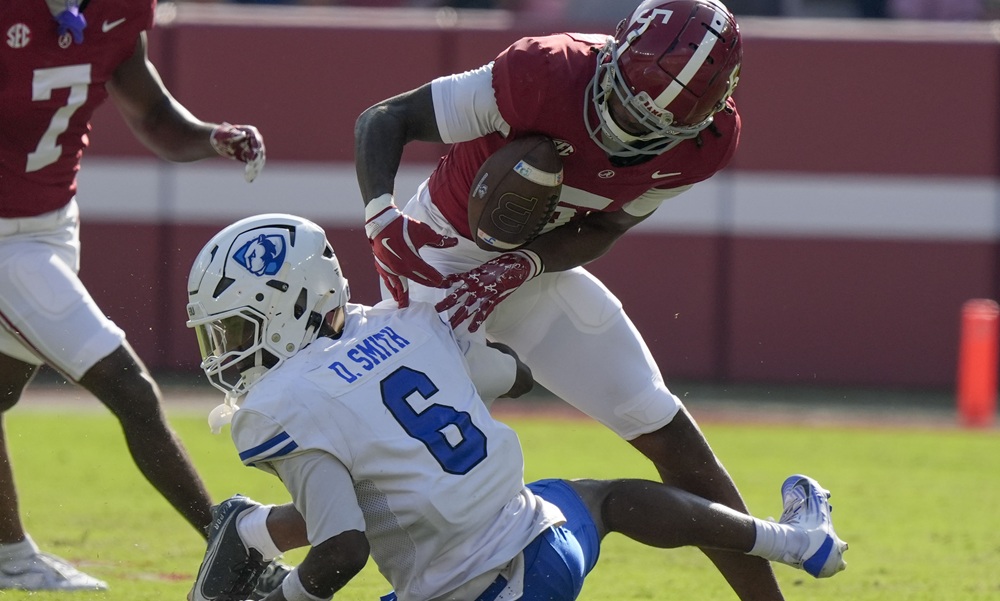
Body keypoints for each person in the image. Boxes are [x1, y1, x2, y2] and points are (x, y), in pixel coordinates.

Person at [353, 0, 793, 599]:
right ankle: (263, 545)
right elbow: (385, 118)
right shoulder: (544, 70)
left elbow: (606, 225)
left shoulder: (708, 144)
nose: (630, 129)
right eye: (627, 104)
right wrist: (382, 219)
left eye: (655, 127)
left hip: (531, 271)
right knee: (400, 468)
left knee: (663, 427)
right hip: (437, 267)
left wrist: (523, 263)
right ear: (614, 52)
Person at [183, 213, 846, 601]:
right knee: (606, 499)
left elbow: (343, 549)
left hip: (481, 587)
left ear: (292, 304)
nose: (227, 351)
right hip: (541, 536)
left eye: (238, 329)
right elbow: (513, 377)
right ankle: (793, 539)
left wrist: (281, 596)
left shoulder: (281, 404)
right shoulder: (405, 322)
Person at [0, 0, 267, 591]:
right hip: (5, 242)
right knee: (132, 390)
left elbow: (153, 115)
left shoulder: (116, 12)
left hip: (52, 225)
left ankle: (9, 556)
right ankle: (235, 558)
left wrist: (212, 137)